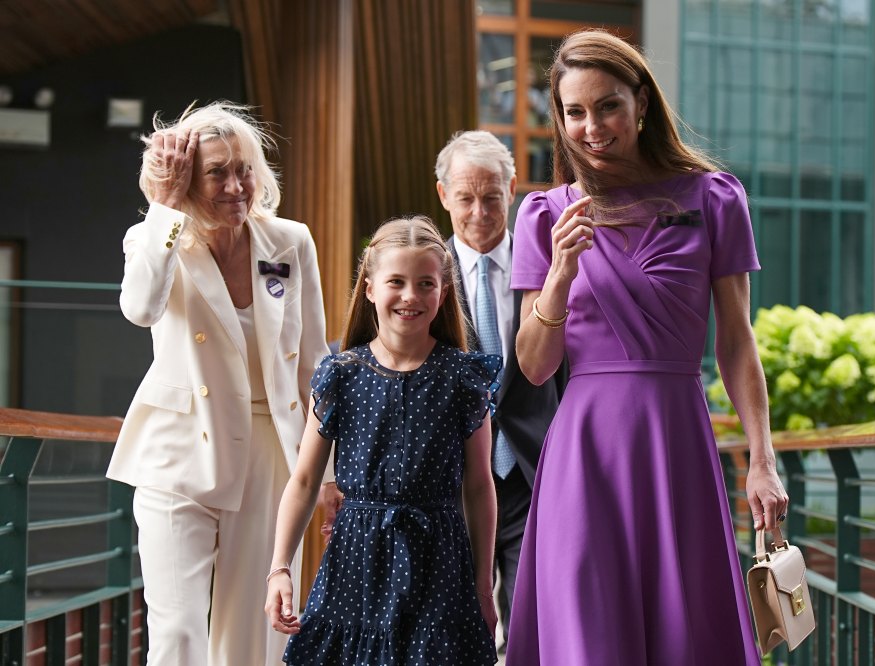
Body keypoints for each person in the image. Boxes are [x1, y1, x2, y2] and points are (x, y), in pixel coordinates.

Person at [504, 30, 790, 665]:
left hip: (675, 444)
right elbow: (533, 363)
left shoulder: (714, 197)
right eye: (574, 112)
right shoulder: (544, 215)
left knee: (681, 631)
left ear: (641, 103)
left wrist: (763, 460)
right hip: (586, 454)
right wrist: (559, 277)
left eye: (607, 106)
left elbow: (738, 343)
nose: (592, 127)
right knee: (588, 634)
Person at [107, 100, 338, 665]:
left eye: (245, 169)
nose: (237, 185)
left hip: (269, 455)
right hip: (177, 453)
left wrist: (329, 475)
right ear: (186, 180)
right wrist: (163, 208)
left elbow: (314, 362)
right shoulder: (154, 239)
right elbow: (139, 306)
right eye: (217, 172)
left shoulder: (290, 241)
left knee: (254, 636)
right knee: (179, 633)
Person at [265, 215, 500, 665]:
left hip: (440, 563)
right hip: (356, 561)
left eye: (425, 284)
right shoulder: (341, 374)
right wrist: (280, 568)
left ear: (443, 293)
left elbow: (478, 485)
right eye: (396, 281)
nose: (411, 296)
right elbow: (304, 479)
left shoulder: (463, 377)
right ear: (370, 287)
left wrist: (483, 586)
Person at [434, 130, 564, 647]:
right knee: (456, 625)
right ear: (443, 195)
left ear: (512, 189)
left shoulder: (550, 269)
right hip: (455, 479)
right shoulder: (425, 279)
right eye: (466, 198)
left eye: (492, 197)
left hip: (536, 472)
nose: (480, 212)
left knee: (534, 623)